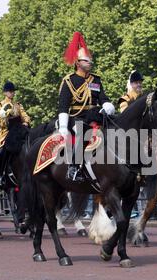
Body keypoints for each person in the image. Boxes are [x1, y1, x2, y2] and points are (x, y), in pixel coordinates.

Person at [58, 31, 115, 182]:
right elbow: (63, 106)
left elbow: (103, 97)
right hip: (76, 118)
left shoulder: (95, 79)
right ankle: (74, 168)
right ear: (78, 62)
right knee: (84, 131)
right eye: (86, 60)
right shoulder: (69, 81)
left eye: (90, 60)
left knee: (117, 125)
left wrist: (107, 105)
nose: (90, 62)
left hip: (95, 114)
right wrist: (63, 126)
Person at [0, 81, 30, 186]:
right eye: (9, 91)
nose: (11, 93)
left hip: (20, 130)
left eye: (13, 91)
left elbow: (25, 116)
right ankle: (0, 175)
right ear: (4, 92)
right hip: (6, 132)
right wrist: (6, 120)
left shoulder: (18, 105)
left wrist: (26, 122)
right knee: (4, 150)